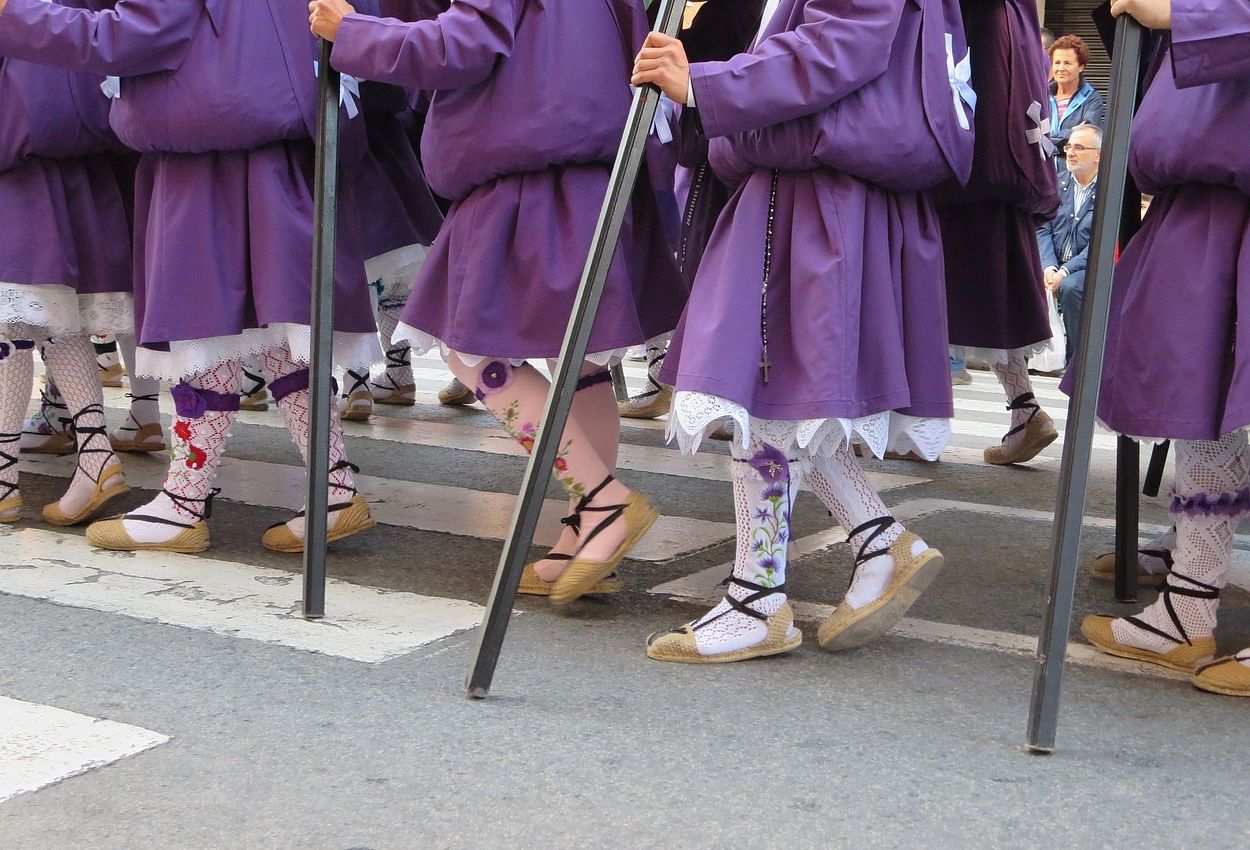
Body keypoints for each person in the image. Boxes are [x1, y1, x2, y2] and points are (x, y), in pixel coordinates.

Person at [311, 0, 688, 603]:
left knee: (468, 351)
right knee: (582, 360)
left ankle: (599, 499)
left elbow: (461, 44)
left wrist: (353, 32)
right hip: (592, 165)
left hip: (528, 166)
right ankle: (589, 523)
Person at [631, 0, 973, 662]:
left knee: (760, 387)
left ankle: (760, 594)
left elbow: (836, 48)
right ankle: (873, 541)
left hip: (815, 188)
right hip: (818, 185)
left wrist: (705, 83)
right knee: (781, 395)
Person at [0, 0, 380, 554]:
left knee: (199, 327)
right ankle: (330, 485)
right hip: (277, 134)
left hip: (207, 143)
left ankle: (187, 502)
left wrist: (15, 12)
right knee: (277, 333)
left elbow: (132, 33)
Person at [1079, 0, 1250, 698]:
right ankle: (1187, 605)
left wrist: (1185, 11)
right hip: (1204, 194)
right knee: (1200, 409)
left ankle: (1188, 605)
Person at [0, 21, 135, 526]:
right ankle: (95, 452)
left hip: (21, 158)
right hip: (75, 152)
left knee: (11, 322)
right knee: (55, 320)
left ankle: (4, 477)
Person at [618, 0, 766, 422]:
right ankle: (680, 379)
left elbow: (730, 58)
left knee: (723, 275)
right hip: (704, 139)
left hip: (730, 138)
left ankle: (725, 394)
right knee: (696, 266)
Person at [938, 0, 1062, 467]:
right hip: (1006, 159)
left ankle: (911, 422)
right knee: (993, 295)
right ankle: (1025, 408)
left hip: (967, 159)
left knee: (938, 289)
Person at [1037, 122, 1101, 364]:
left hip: (1087, 265)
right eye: (1068, 146)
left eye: (1079, 147)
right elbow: (1042, 228)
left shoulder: (1108, 190)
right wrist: (1048, 266)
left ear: (1098, 156)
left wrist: (1066, 270)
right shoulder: (1057, 183)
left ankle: (1077, 362)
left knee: (1071, 287)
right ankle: (1023, 356)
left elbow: (1101, 240)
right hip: (1053, 263)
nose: (1070, 153)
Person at [1047, 34, 1104, 172]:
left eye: (1067, 63)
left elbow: (1084, 139)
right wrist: (1072, 131)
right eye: (1057, 62)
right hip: (1039, 173)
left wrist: (1046, 140)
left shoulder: (1091, 99)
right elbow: (1030, 136)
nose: (1061, 68)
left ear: (1081, 67)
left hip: (1072, 175)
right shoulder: (1040, 95)